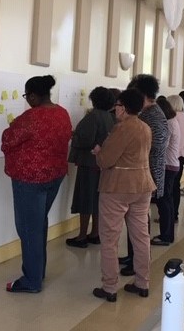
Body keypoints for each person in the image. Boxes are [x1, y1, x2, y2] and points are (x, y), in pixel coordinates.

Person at [1, 75, 72, 293]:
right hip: (54, 176)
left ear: (33, 95)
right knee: (39, 223)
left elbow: (7, 140)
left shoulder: (30, 118)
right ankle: (37, 272)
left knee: (29, 228)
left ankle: (32, 280)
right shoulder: (62, 113)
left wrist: (11, 126)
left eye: (27, 96)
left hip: (29, 180)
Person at [91, 88, 156, 302]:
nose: (115, 110)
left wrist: (99, 153)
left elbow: (106, 160)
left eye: (117, 106)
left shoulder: (122, 129)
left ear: (124, 108)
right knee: (141, 236)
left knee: (109, 238)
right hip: (143, 186)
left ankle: (110, 287)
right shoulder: (145, 127)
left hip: (117, 188)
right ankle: (142, 282)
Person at [118, 74, 168, 276]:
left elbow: (155, 145)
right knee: (135, 221)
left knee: (140, 224)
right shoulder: (146, 113)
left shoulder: (153, 115)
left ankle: (138, 262)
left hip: (147, 173)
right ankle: (133, 257)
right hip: (140, 172)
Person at [65, 87, 116, 248]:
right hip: (103, 165)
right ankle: (95, 233)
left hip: (89, 164)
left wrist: (74, 135)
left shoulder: (93, 116)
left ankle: (81, 236)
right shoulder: (110, 117)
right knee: (97, 200)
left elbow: (86, 140)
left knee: (85, 199)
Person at [151, 97, 181, 246]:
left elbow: (162, 144)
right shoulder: (173, 121)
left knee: (163, 200)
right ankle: (167, 235)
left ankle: (165, 235)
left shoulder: (168, 124)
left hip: (167, 166)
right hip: (172, 164)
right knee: (167, 200)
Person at [166, 95, 184, 223]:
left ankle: (170, 215)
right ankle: (174, 214)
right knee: (175, 186)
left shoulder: (173, 117)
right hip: (182, 154)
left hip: (173, 155)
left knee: (170, 188)